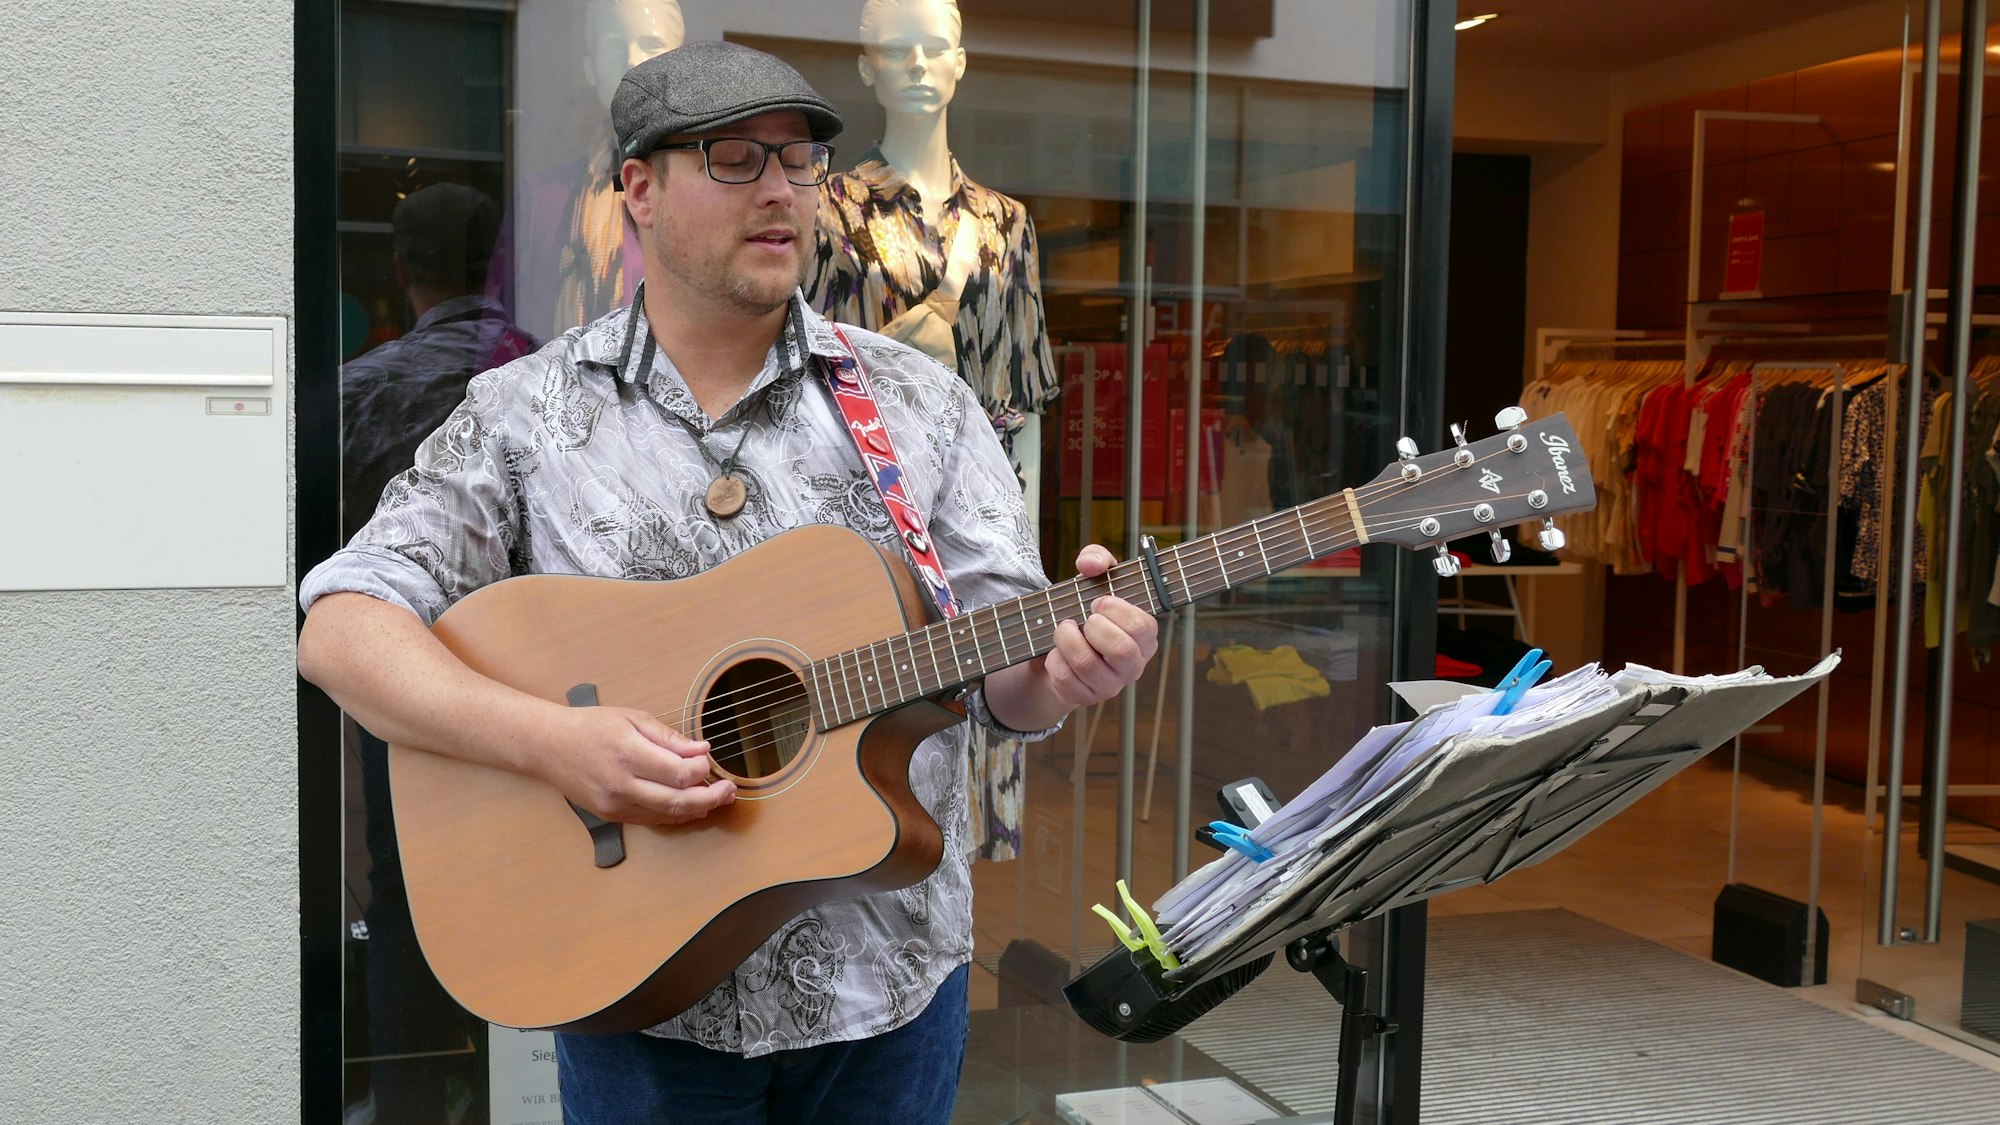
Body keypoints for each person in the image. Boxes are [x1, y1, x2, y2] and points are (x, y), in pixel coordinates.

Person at [296, 40, 1159, 1125]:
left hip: (885, 985)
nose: (782, 193)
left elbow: (999, 675)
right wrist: (552, 742)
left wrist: (1067, 674)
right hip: (640, 994)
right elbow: (341, 627)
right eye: (736, 158)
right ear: (640, 190)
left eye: (799, 164)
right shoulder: (522, 414)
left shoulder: (916, 403)